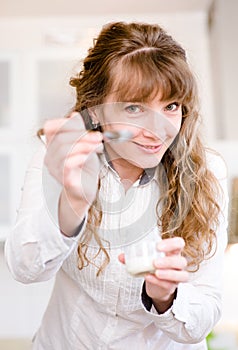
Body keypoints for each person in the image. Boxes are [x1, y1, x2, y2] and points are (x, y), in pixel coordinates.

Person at [5, 21, 228, 349]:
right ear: (96, 109)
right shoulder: (64, 156)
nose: (158, 131)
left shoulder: (207, 172)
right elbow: (25, 269)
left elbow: (204, 314)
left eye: (171, 106)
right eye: (135, 108)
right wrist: (72, 205)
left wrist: (165, 297)